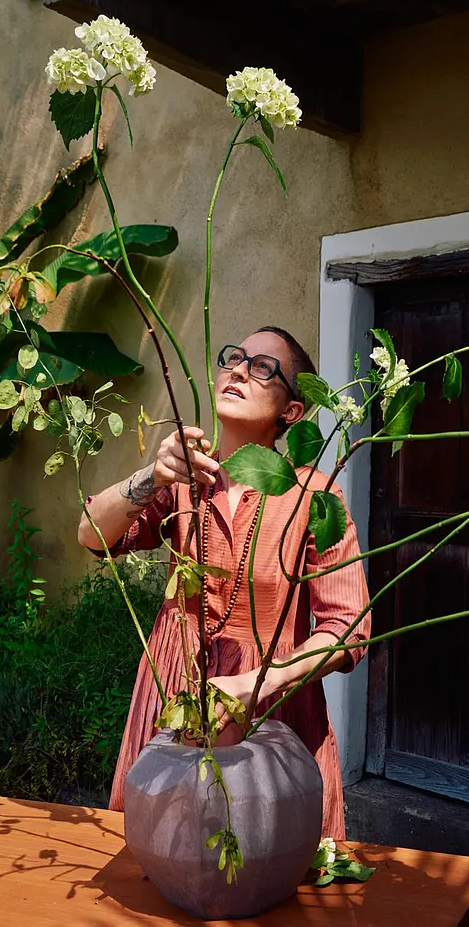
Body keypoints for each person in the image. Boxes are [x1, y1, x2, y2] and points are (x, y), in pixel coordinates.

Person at [79, 327, 370, 838]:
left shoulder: (313, 496)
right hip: (173, 694)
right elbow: (91, 535)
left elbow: (348, 629)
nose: (237, 369)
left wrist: (257, 682)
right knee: (163, 858)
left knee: (270, 864)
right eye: (235, 357)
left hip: (269, 706)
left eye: (262, 367)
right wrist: (154, 474)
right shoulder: (185, 481)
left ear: (292, 412)